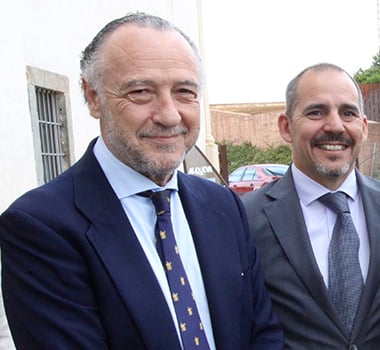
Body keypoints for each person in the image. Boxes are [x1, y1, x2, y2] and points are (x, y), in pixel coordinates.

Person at [0, 13, 283, 349]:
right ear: (93, 97)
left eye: (184, 92)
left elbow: (262, 334)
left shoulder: (224, 206)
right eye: (141, 92)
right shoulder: (41, 226)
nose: (169, 115)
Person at [241, 63, 380, 349]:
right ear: (286, 126)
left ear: (363, 126)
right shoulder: (247, 220)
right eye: (316, 112)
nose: (335, 126)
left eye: (348, 113)